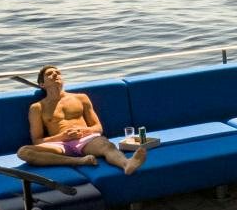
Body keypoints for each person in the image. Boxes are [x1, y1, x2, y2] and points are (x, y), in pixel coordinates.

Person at [17, 65, 147, 175]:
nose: (55, 74)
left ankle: (127, 164)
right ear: (42, 84)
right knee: (24, 152)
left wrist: (84, 130)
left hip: (85, 140)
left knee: (106, 145)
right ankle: (79, 161)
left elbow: (98, 128)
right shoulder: (37, 107)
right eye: (49, 74)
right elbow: (37, 140)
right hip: (59, 144)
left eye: (58, 73)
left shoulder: (81, 98)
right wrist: (62, 137)